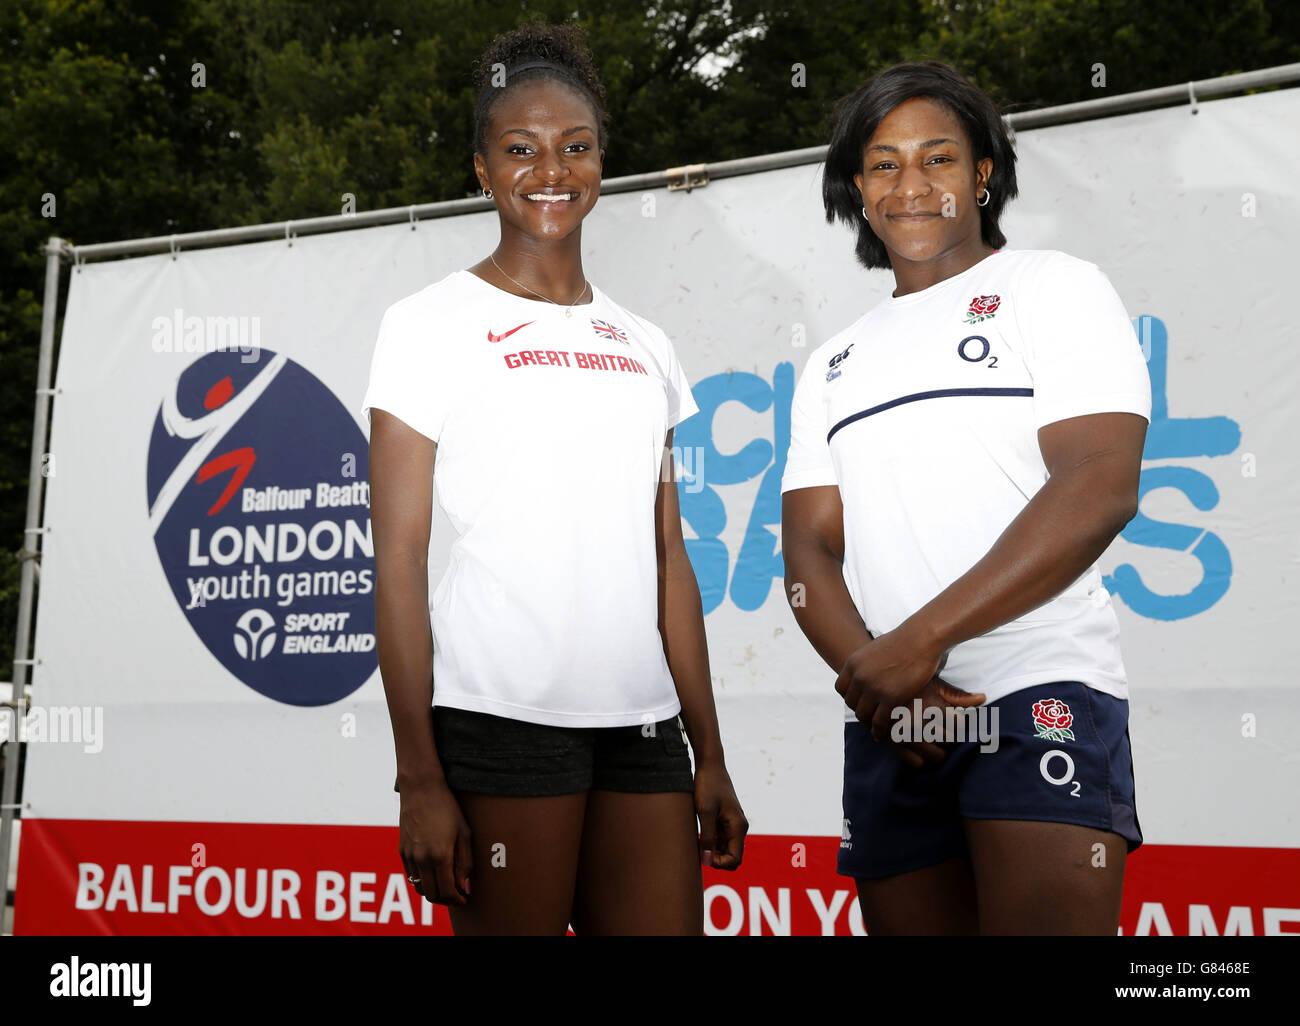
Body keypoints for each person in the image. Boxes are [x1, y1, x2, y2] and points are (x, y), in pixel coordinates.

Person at [361, 21, 746, 936]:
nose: (551, 170)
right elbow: (400, 562)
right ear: (483, 171)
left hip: (645, 729)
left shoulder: (646, 343)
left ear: (601, 161)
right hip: (498, 717)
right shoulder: (428, 325)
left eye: (575, 147)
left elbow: (669, 562)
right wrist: (419, 774)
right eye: (520, 149)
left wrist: (710, 751)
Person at [781, 60, 1149, 935]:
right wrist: (883, 682)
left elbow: (1100, 485)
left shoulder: (1053, 288)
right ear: (857, 188)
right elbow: (807, 554)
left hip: (1037, 684)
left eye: (938, 158)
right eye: (882, 163)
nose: (911, 185)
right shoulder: (830, 363)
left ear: (983, 174)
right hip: (896, 714)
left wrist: (921, 643)